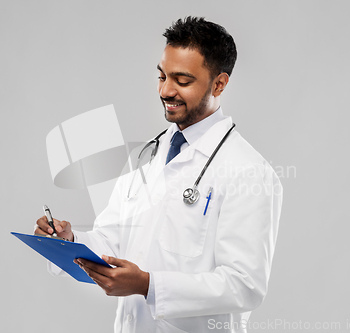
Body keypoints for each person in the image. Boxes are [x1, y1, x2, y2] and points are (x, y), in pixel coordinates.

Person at [36, 16, 282, 333]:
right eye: (162, 76)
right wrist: (69, 241)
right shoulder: (146, 155)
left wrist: (149, 286)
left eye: (182, 80)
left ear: (219, 84)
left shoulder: (248, 171)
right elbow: (113, 240)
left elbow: (245, 285)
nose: (165, 90)